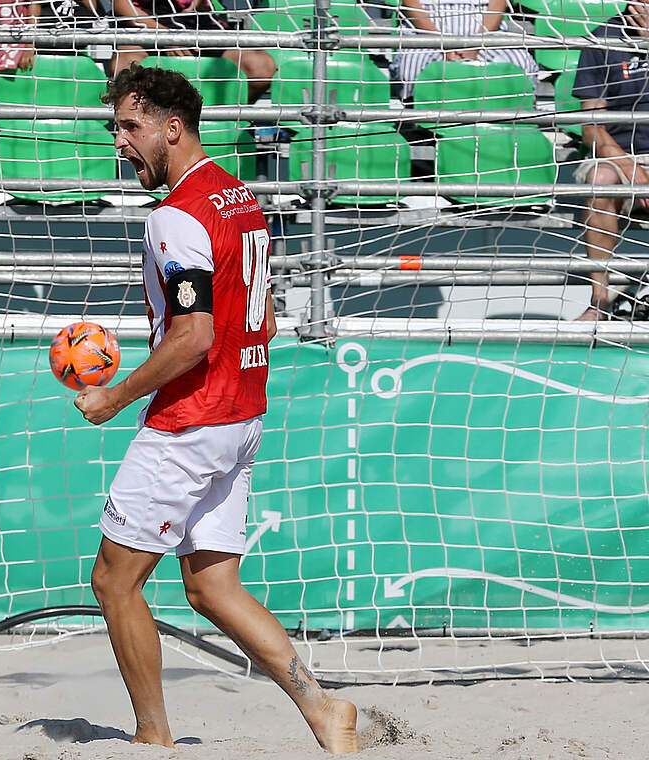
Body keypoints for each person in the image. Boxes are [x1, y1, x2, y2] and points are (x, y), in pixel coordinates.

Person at [76, 63, 358, 752]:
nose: (120, 141)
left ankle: (151, 736)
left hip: (192, 421)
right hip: (243, 415)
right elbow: (256, 310)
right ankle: (323, 709)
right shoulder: (239, 194)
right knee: (212, 588)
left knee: (113, 582)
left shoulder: (176, 216)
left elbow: (194, 335)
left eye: (130, 126)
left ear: (173, 128)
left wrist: (115, 393)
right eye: (117, 126)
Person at [572, 3, 649, 321]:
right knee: (600, 180)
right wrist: (633, 169)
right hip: (619, 155)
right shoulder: (603, 36)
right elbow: (591, 129)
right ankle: (599, 303)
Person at [111, 0, 277, 104]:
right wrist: (164, 35)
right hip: (146, 23)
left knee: (260, 68)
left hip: (197, 20)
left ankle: (221, 122)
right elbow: (120, 5)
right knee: (125, 68)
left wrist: (196, 4)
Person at [390, 0, 537, 99]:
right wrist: (442, 42)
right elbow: (410, 3)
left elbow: (498, 3)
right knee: (412, 65)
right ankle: (418, 124)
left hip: (484, 29)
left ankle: (515, 119)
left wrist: (477, 43)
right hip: (428, 29)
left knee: (520, 63)